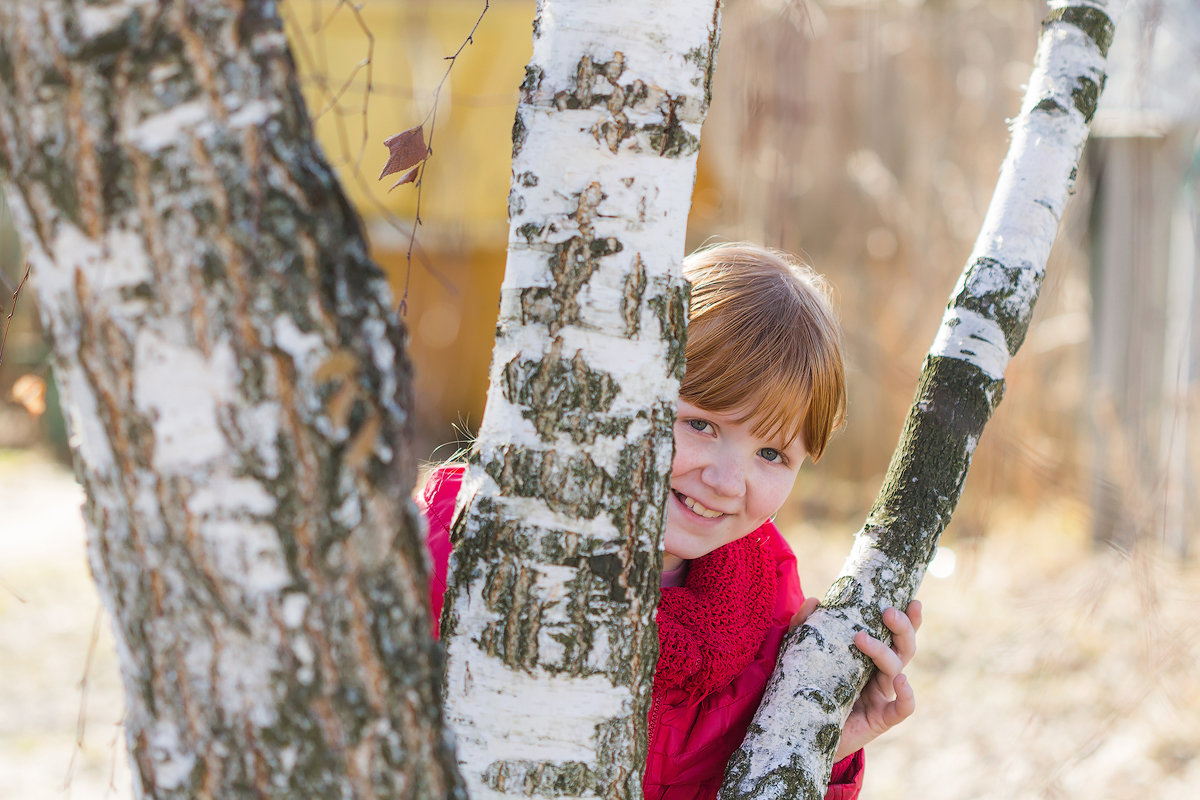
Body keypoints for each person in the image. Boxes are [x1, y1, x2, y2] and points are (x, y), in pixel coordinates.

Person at [419, 243, 921, 800]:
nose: (729, 482)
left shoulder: (768, 605)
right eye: (701, 424)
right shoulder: (459, 550)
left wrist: (815, 743)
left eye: (772, 455)